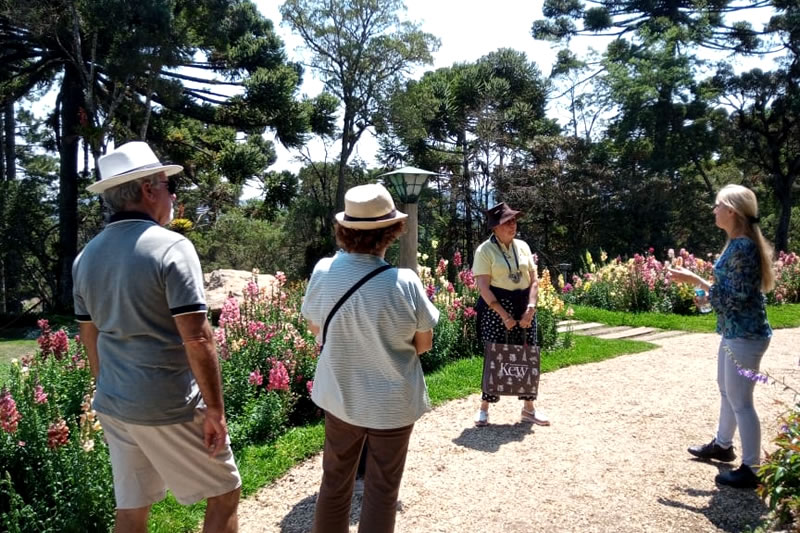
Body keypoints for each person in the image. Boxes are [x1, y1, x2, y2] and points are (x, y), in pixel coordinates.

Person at [72, 142, 241, 532]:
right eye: (167, 185)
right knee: (224, 492)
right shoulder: (172, 247)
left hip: (115, 404)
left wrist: (108, 390)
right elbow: (198, 338)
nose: (173, 194)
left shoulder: (86, 257)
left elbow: (89, 336)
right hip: (168, 404)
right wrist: (214, 410)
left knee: (132, 510)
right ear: (148, 190)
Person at [301, 183, 439, 533]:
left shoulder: (323, 272)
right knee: (382, 490)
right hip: (392, 403)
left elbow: (317, 328)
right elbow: (423, 344)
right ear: (392, 231)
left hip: (340, 396)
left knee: (334, 482)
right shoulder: (405, 281)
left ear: (344, 228)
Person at [668, 184, 774, 489]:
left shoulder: (742, 247)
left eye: (717, 205)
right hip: (735, 332)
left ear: (732, 210)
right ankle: (723, 445)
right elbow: (727, 293)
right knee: (727, 392)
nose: (714, 210)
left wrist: (695, 279)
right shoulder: (738, 243)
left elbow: (735, 297)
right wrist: (705, 293)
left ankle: (752, 469)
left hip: (745, 335)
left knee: (742, 401)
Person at [472, 202, 549, 427]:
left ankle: (529, 408)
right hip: (496, 307)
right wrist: (504, 315)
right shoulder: (484, 251)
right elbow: (484, 287)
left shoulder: (523, 246)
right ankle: (484, 409)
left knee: (527, 354)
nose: (512, 225)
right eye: (507, 222)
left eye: (514, 220)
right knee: (495, 356)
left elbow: (534, 280)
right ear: (495, 227)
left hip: (525, 305)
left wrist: (531, 309)